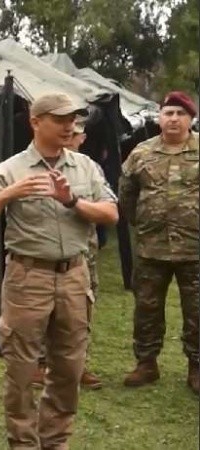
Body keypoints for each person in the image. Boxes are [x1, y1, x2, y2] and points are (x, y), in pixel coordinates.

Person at [0, 93, 118, 449]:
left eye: (73, 120)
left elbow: (111, 214)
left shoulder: (85, 167)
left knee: (68, 368)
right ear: (36, 122)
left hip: (74, 277)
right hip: (27, 278)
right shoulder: (9, 170)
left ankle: (55, 441)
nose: (69, 126)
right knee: (21, 370)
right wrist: (11, 193)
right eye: (60, 119)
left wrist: (72, 201)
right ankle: (22, 443)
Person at [118, 91, 199, 395]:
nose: (174, 119)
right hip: (152, 247)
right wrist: (141, 222)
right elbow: (126, 192)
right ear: (159, 118)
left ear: (191, 118)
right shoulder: (141, 152)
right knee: (147, 308)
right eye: (168, 113)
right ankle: (146, 363)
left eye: (180, 113)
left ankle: (196, 367)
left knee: (197, 310)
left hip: (195, 248)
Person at [31, 121, 103, 391]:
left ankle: (77, 364)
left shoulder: (87, 169)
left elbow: (109, 208)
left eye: (74, 134)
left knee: (81, 311)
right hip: (43, 253)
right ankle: (40, 364)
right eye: (65, 132)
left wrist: (74, 201)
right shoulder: (29, 166)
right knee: (41, 312)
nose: (68, 137)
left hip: (81, 254)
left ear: (82, 137)